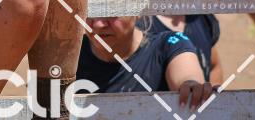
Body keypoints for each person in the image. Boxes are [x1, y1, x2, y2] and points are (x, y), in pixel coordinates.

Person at [78, 14, 212, 111]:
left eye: (111, 12)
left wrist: (191, 86)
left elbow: (187, 77)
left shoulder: (169, 45)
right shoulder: (69, 55)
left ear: (138, 10)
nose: (98, 24)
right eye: (91, 11)